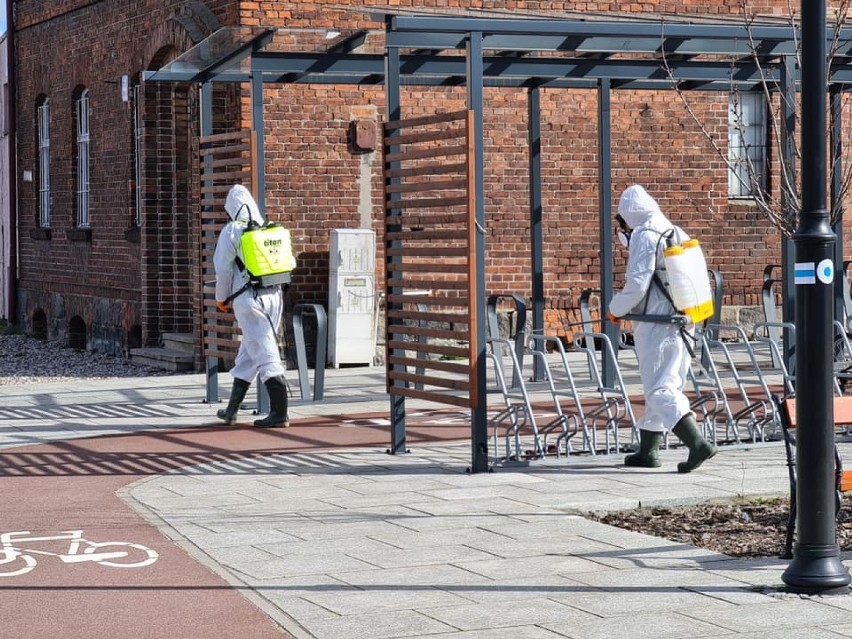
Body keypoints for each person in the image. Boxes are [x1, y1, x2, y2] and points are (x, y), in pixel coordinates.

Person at [607, 184, 716, 472]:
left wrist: (615, 308)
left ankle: (697, 444)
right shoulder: (673, 230)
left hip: (658, 324)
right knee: (667, 383)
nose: (622, 229)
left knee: (659, 389)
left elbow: (637, 285)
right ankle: (648, 451)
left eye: (622, 222)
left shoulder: (645, 234)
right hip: (685, 319)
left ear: (629, 216)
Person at [214, 184, 289, 428]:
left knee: (265, 352)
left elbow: (223, 270)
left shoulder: (233, 231)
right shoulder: (268, 228)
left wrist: (221, 297)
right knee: (250, 351)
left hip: (249, 299)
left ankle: (280, 413)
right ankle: (231, 411)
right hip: (274, 295)